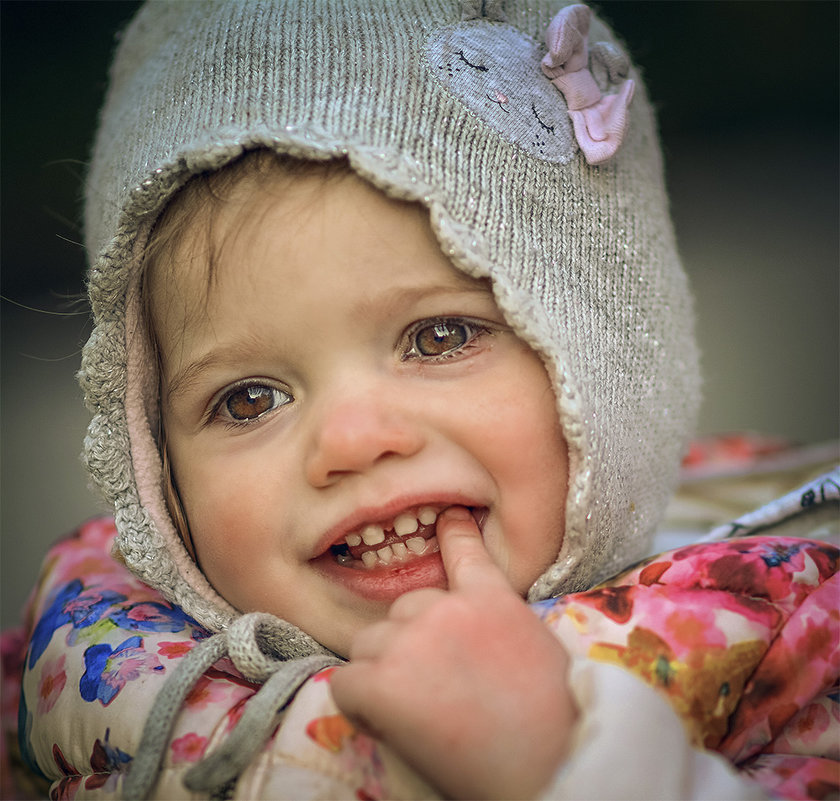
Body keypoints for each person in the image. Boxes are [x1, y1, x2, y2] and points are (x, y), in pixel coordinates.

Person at [4, 2, 836, 799]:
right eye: (249, 398)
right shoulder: (75, 694)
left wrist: (565, 767)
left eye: (438, 337)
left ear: (606, 356)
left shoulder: (791, 646)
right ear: (159, 477)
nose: (354, 439)